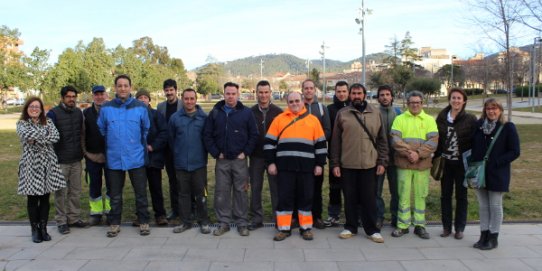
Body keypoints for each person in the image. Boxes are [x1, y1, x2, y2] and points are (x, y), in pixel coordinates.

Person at [264, 91, 327, 241]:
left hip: (307, 168)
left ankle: (306, 228)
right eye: (291, 101)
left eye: (297, 100)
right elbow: (269, 143)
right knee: (285, 198)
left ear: (303, 101)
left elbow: (321, 145)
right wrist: (271, 163)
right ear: (287, 103)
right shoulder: (279, 120)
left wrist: (320, 164)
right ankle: (284, 229)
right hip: (285, 167)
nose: (294, 104)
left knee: (306, 197)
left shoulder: (313, 120)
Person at [330, 83, 388, 243]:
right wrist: (335, 164)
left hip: (370, 164)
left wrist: (382, 161)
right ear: (350, 95)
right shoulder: (343, 114)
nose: (356, 96)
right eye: (354, 93)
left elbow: (382, 140)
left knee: (369, 198)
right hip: (347, 164)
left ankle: (372, 230)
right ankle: (350, 227)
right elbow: (335, 142)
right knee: (349, 198)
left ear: (364, 95)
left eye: (359, 93)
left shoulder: (375, 113)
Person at [98, 74, 151, 237]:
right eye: (119, 85)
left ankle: (144, 222)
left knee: (141, 193)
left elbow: (145, 129)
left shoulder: (140, 107)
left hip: (136, 158)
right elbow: (102, 129)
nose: (122, 88)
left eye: (125, 85)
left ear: (130, 87)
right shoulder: (106, 108)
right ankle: (114, 223)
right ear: (115, 88)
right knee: (114, 194)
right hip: (114, 159)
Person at [203, 82, 258, 237]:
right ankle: (223, 222)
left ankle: (241, 222)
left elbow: (254, 135)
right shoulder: (215, 112)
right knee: (222, 191)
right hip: (222, 160)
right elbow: (207, 135)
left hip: (239, 160)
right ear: (223, 94)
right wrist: (215, 152)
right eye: (228, 93)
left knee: (241, 191)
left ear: (238, 94)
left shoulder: (246, 113)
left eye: (233, 94)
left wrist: (245, 152)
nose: (230, 96)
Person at [471, 98, 520, 250]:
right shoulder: (479, 126)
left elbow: (515, 151)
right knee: (483, 206)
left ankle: (493, 237)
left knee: (495, 205)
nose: (491, 111)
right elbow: (472, 145)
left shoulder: (507, 127)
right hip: (480, 173)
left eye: (494, 108)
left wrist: (497, 162)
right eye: (488, 109)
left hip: (497, 173)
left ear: (500, 110)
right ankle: (483, 234)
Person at [17, 97, 66, 243]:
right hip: (31, 165)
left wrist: (36, 139)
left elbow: (56, 136)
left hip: (47, 164)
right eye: (31, 106)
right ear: (27, 108)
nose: (34, 109)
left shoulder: (48, 122)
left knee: (45, 197)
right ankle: (34, 229)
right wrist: (45, 137)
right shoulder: (21, 124)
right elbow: (27, 136)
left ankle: (43, 228)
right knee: (33, 198)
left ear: (41, 109)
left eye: (37, 107)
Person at [390, 90, 438, 239]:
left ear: (422, 103)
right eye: (412, 103)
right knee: (403, 194)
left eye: (417, 102)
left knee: (420, 195)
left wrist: (418, 153)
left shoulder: (429, 120)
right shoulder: (400, 119)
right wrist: (410, 153)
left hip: (422, 165)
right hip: (404, 164)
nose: (415, 105)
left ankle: (420, 225)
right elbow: (394, 139)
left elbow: (433, 141)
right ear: (407, 104)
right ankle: (403, 225)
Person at [435, 88, 477, 240]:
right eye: (453, 98)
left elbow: (475, 141)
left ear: (464, 101)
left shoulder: (470, 119)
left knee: (461, 196)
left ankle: (459, 228)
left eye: (459, 98)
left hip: (461, 164)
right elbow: (437, 139)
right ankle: (446, 227)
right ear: (449, 99)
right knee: (445, 195)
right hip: (446, 163)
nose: (456, 101)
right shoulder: (441, 117)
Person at [169, 88, 211, 234]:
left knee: (201, 194)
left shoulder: (203, 118)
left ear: (196, 99)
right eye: (186, 99)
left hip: (199, 164)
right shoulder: (175, 118)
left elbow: (207, 139)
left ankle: (203, 221)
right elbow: (171, 139)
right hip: (181, 164)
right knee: (183, 194)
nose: (189, 101)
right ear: (182, 99)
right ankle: (185, 221)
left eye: (192, 98)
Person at [46, 86, 87, 234]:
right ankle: (61, 221)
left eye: (74, 96)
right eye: (69, 96)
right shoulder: (53, 114)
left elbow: (82, 133)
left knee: (75, 191)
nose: (72, 99)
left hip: (76, 159)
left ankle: (74, 218)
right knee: (60, 193)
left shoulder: (78, 113)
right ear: (63, 97)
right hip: (60, 160)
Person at [248, 80, 283, 230]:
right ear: (256, 93)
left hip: (273, 158)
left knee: (276, 189)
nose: (263, 95)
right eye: (260, 92)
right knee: (256, 188)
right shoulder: (250, 112)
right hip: (256, 156)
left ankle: (278, 218)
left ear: (270, 93)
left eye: (266, 92)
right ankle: (256, 218)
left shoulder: (278, 112)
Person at [136, 89, 168, 226]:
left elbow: (164, 133)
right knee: (140, 189)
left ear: (149, 100)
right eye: (140, 97)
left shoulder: (156, 115)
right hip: (137, 158)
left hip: (153, 158)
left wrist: (152, 146)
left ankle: (160, 214)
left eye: (145, 97)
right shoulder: (133, 115)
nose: (143, 99)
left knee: (156, 188)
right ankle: (141, 216)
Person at [301, 79, 331, 229]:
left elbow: (327, 130)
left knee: (317, 187)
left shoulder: (321, 108)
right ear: (302, 90)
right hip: (301, 154)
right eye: (306, 88)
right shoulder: (297, 107)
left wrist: (314, 139)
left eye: (311, 88)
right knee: (300, 187)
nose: (308, 91)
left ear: (315, 90)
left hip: (317, 154)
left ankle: (317, 216)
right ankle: (298, 216)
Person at [82, 85, 110, 226]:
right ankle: (96, 213)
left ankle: (111, 212)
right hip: (92, 156)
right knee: (94, 185)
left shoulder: (112, 110)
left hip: (111, 156)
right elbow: (82, 134)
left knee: (112, 185)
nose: (99, 97)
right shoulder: (86, 113)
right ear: (93, 96)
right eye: (96, 94)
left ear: (106, 95)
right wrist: (86, 153)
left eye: (101, 94)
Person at [323, 81, 350, 227]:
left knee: (352, 187)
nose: (341, 94)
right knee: (334, 187)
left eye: (344, 91)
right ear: (335, 92)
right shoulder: (330, 109)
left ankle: (353, 215)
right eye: (339, 91)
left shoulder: (353, 107)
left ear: (348, 92)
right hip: (335, 155)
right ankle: (334, 215)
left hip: (352, 155)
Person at [375, 85, 402, 229]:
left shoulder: (399, 112)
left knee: (396, 191)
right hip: (378, 159)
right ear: (378, 97)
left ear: (392, 96)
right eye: (382, 95)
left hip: (396, 159)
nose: (385, 97)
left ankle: (396, 217)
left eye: (387, 94)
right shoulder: (373, 112)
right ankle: (378, 217)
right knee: (376, 191)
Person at [157, 79, 183, 221]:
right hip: (167, 150)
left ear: (176, 90)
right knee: (173, 180)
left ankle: (190, 207)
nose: (169, 93)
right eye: (166, 90)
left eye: (171, 90)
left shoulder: (183, 104)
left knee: (185, 180)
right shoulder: (161, 107)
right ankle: (175, 209)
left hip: (182, 149)